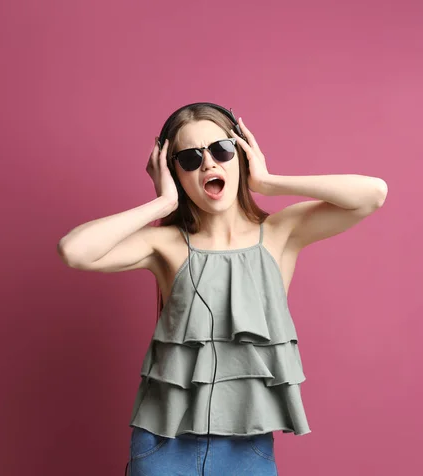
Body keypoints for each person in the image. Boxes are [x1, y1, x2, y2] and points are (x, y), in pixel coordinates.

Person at [57, 103, 388, 475]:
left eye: (221, 149)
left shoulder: (280, 233)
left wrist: (268, 182)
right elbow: (74, 250)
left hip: (247, 446)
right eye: (190, 158)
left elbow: (373, 193)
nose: (209, 165)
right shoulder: (165, 244)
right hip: (163, 444)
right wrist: (162, 202)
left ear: (242, 154)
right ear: (174, 173)